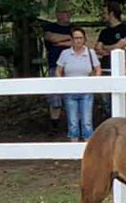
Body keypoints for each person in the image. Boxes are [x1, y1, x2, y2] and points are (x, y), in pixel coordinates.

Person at [56, 27, 101, 142]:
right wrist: (61, 84)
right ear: (72, 40)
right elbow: (58, 70)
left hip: (86, 92)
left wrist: (95, 82)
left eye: (81, 38)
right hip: (70, 92)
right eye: (76, 38)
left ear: (84, 39)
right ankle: (74, 145)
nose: (78, 41)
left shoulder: (90, 53)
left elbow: (98, 69)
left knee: (87, 121)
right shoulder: (65, 54)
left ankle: (88, 146)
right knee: (73, 121)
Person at [94, 1, 126, 117]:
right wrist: (113, 47)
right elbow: (97, 48)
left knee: (119, 99)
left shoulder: (124, 30)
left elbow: (122, 45)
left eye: (105, 12)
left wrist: (106, 48)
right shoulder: (104, 32)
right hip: (105, 69)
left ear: (112, 13)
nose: (103, 15)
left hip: (119, 70)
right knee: (106, 101)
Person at [43, 0, 73, 135]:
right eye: (63, 12)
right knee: (54, 97)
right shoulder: (50, 27)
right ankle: (54, 125)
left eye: (68, 12)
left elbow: (78, 42)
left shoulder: (74, 28)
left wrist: (62, 41)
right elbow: (51, 38)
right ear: (57, 14)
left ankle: (72, 125)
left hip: (72, 67)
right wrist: (69, 39)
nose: (66, 15)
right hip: (54, 66)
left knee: (71, 96)